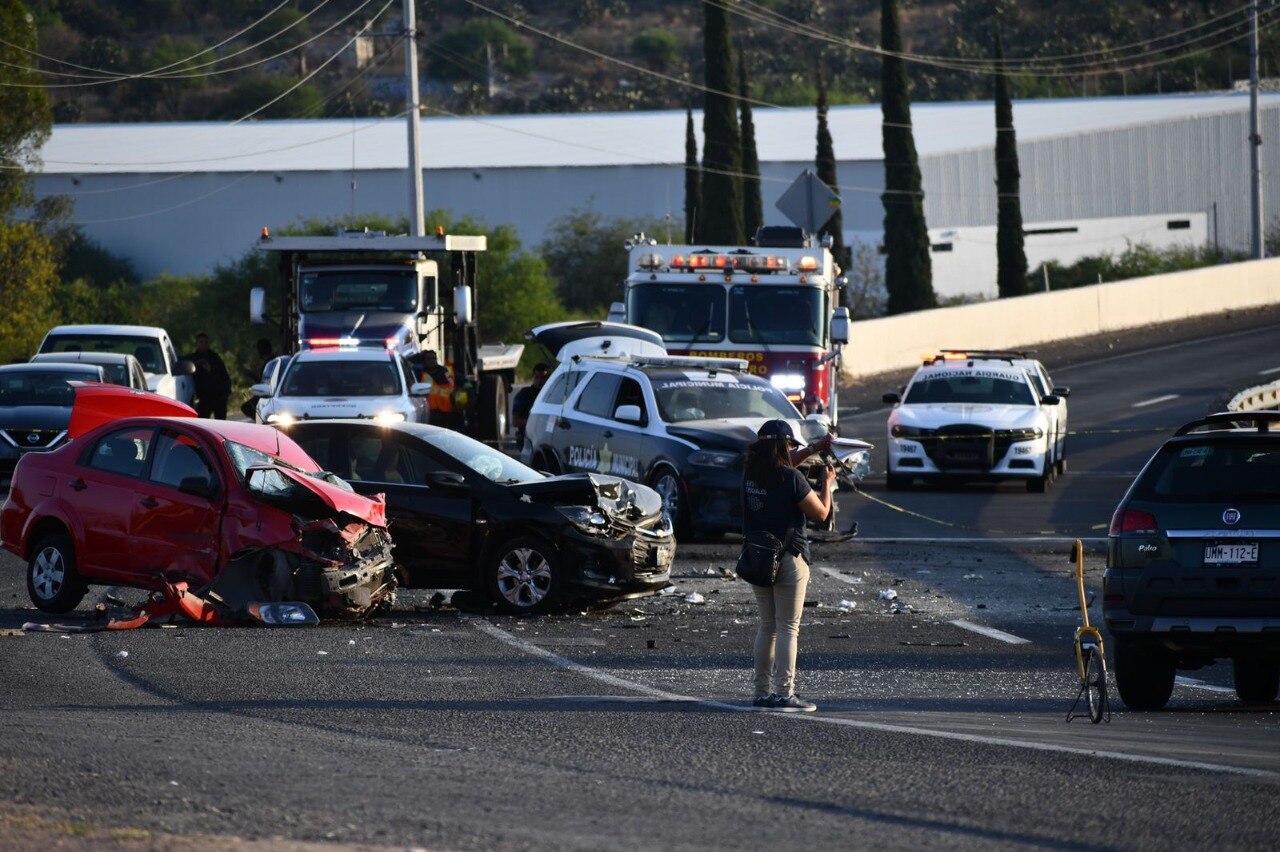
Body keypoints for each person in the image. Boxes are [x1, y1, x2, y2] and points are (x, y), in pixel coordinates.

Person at [742, 420, 834, 712]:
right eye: (791, 446)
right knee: (787, 628)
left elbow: (783, 466)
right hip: (789, 558)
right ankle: (784, 694)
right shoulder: (792, 479)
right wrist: (826, 485)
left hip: (758, 557)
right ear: (785, 446)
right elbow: (820, 514)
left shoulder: (750, 475)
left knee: (767, 626)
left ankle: (761, 692)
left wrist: (813, 449)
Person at [185, 332, 232, 419]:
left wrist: (226, 392)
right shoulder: (192, 358)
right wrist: (197, 364)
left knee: (221, 423)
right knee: (203, 422)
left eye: (206, 342)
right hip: (204, 397)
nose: (204, 345)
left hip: (218, 395)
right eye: (201, 342)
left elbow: (224, 375)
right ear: (197, 344)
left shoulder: (214, 357)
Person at [510, 362, 551, 445]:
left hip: (548, 438)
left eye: (543, 378)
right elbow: (515, 421)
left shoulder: (554, 395)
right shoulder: (524, 394)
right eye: (537, 377)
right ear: (533, 377)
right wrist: (537, 423)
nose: (539, 381)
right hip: (527, 437)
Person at [239, 338, 275, 418]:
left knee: (246, 408)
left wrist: (251, 375)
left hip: (270, 394)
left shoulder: (270, 364)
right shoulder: (274, 361)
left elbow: (264, 383)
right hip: (269, 393)